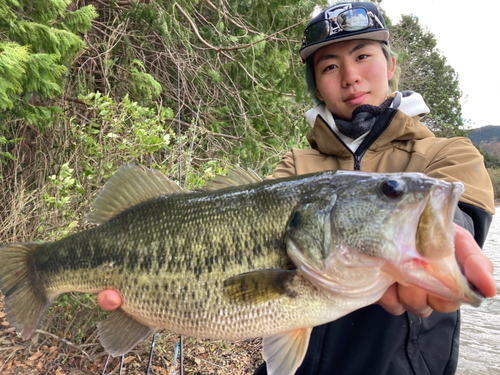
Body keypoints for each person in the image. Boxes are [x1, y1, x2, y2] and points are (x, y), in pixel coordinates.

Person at [97, 2, 496, 374]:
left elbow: (462, 222)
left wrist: (441, 239)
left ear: (390, 64)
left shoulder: (450, 154)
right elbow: (240, 245)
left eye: (362, 56)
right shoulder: (295, 165)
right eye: (329, 67)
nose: (350, 76)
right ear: (317, 86)